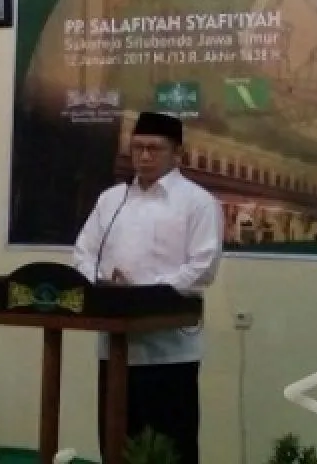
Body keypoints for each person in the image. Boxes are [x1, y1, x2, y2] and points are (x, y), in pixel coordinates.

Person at [72, 111, 223, 464]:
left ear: (177, 153)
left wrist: (143, 294)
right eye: (137, 147)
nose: (143, 156)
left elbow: (203, 267)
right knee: (117, 445)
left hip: (168, 351)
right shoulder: (112, 199)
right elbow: (82, 253)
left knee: (170, 448)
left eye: (154, 148)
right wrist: (103, 284)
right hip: (115, 347)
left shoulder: (197, 202)